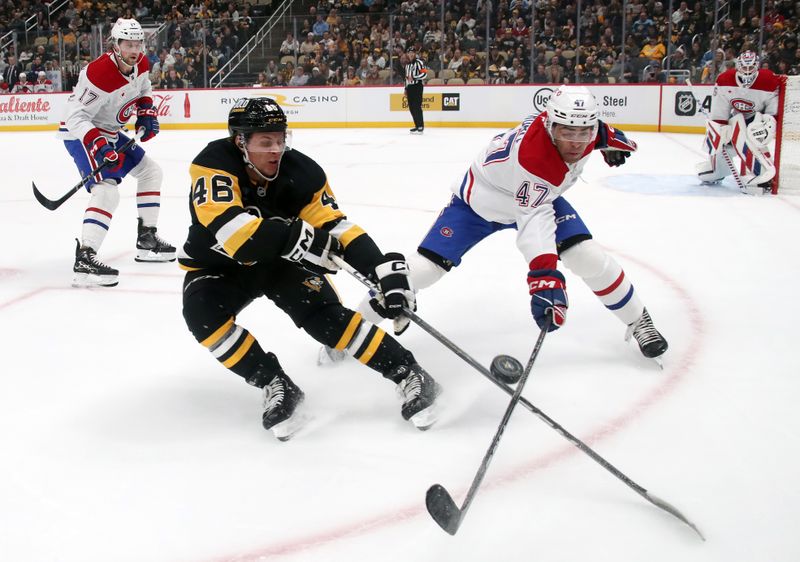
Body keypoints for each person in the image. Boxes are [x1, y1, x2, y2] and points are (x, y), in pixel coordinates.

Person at [327, 86, 668, 364]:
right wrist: (544, 279)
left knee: (588, 257)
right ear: (550, 127)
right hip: (480, 204)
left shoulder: (576, 130)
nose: (577, 142)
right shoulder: (538, 162)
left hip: (534, 197)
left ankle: (639, 320)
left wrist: (607, 140)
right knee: (422, 271)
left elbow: (595, 132)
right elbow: (535, 224)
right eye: (568, 132)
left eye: (584, 132)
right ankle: (347, 333)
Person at [179, 97, 442, 441]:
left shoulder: (303, 172)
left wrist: (377, 267)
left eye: (280, 139)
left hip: (279, 262)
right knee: (201, 315)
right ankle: (276, 383)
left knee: (327, 319)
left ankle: (410, 373)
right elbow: (238, 236)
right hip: (219, 266)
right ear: (239, 142)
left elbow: (335, 226)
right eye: (264, 142)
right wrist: (298, 234)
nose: (276, 150)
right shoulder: (213, 165)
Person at [58, 18, 175, 288]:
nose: (135, 50)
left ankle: (147, 239)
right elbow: (75, 117)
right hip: (81, 132)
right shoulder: (99, 73)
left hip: (109, 131)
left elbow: (144, 88)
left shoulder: (141, 63)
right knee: (106, 189)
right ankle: (85, 258)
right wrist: (98, 145)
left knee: (151, 172)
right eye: (129, 44)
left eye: (139, 44)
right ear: (116, 45)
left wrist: (146, 111)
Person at [695, 50, 781, 192]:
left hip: (757, 119)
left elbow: (773, 113)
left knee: (751, 135)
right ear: (738, 66)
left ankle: (764, 172)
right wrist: (720, 130)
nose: (747, 71)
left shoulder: (768, 80)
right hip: (736, 117)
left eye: (750, 67)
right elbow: (719, 113)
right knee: (722, 138)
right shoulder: (725, 79)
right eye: (744, 67)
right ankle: (719, 169)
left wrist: (768, 124)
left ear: (757, 66)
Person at [404, 47, 427, 134]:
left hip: (417, 86)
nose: (411, 54)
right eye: (409, 53)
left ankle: (420, 126)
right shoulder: (407, 65)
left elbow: (424, 74)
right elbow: (406, 78)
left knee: (417, 106)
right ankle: (417, 125)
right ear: (407, 54)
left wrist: (414, 77)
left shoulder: (419, 62)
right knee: (411, 108)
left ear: (415, 54)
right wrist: (405, 88)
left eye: (413, 52)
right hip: (410, 88)